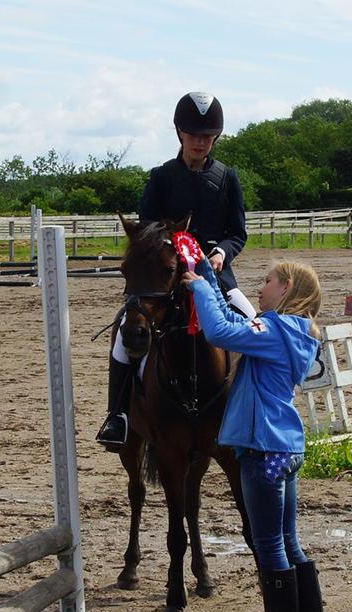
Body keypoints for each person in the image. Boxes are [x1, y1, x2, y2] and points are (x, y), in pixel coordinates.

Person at [183, 256, 328, 612]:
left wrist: (198, 288)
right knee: (289, 542)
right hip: (285, 446)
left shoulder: (276, 329)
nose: (260, 289)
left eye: (268, 281)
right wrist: (210, 278)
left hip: (262, 448)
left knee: (269, 546)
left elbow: (218, 331)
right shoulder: (294, 331)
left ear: (287, 288)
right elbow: (235, 321)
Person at [97, 91, 254, 451]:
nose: (201, 142)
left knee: (253, 321)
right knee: (123, 335)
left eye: (208, 136)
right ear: (180, 133)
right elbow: (146, 228)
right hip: (165, 278)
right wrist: (169, 248)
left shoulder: (227, 178)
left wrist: (220, 253)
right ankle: (118, 416)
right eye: (194, 135)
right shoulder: (162, 177)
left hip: (215, 276)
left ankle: (254, 411)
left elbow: (238, 233)